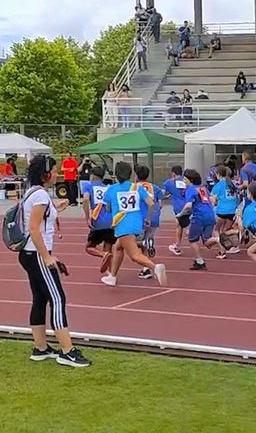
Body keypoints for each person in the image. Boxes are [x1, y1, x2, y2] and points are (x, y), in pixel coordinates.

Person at [19, 154, 91, 367]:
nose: (57, 173)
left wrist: (57, 207)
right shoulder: (40, 196)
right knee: (57, 298)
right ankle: (67, 351)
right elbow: (34, 228)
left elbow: (38, 219)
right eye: (54, 170)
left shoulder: (33, 192)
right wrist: (47, 256)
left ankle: (40, 348)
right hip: (37, 254)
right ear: (45, 174)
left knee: (40, 299)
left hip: (29, 254)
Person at [100, 161, 167, 286]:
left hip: (122, 223)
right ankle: (112, 276)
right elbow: (152, 204)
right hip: (137, 223)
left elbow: (107, 208)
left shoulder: (112, 189)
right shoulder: (137, 187)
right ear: (130, 174)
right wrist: (148, 218)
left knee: (134, 255)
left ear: (116, 174)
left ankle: (155, 267)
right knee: (118, 247)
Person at [176, 169, 217, 270]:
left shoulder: (190, 190)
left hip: (199, 216)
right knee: (206, 240)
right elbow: (212, 199)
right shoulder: (204, 188)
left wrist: (180, 214)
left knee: (192, 239)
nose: (184, 181)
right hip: (210, 215)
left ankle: (200, 260)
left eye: (185, 179)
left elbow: (188, 205)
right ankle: (219, 239)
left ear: (191, 180)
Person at [82, 166, 115, 274]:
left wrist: (87, 217)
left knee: (89, 247)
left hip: (98, 221)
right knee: (108, 246)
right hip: (111, 221)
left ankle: (103, 255)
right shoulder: (108, 187)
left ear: (92, 176)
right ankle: (111, 274)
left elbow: (86, 199)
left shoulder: (88, 187)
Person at [135, 164, 164, 278]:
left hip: (140, 218)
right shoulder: (155, 187)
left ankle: (144, 244)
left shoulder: (134, 187)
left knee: (131, 243)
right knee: (147, 239)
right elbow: (160, 204)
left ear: (136, 175)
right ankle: (146, 269)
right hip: (154, 217)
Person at [162, 166, 189, 256]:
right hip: (188, 204)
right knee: (182, 224)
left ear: (173, 173)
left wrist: (167, 195)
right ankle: (178, 244)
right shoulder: (186, 181)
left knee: (179, 226)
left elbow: (164, 194)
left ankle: (177, 245)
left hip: (178, 207)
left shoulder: (168, 183)